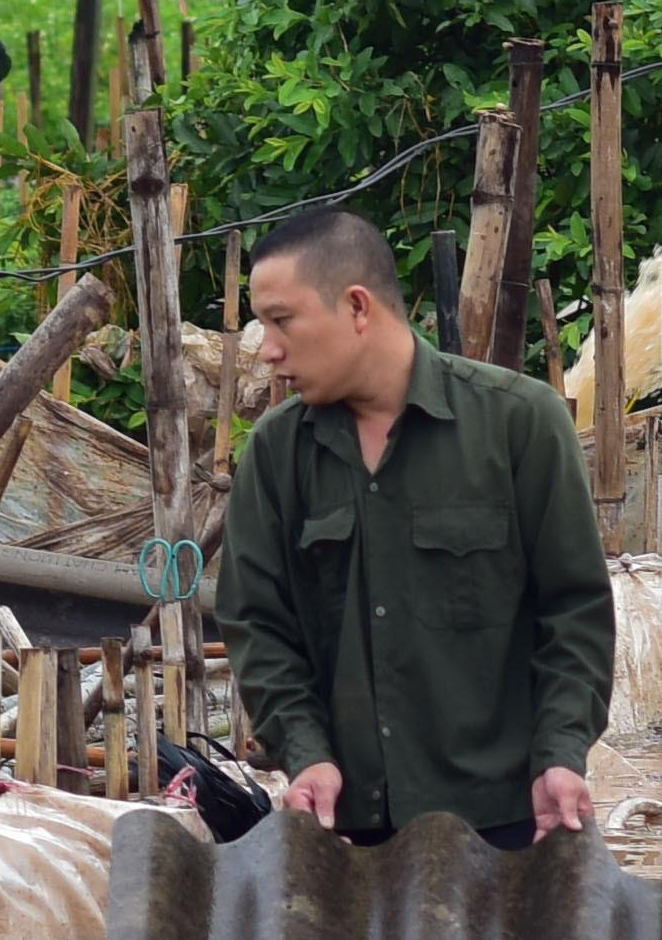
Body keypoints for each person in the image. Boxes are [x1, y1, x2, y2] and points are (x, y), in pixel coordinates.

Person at [206, 199, 617, 845]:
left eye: (281, 322)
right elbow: (257, 622)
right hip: (343, 830)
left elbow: (574, 611)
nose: (269, 352)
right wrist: (305, 751)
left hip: (504, 827)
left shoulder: (519, 424)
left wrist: (560, 755)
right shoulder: (278, 453)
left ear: (357, 306)